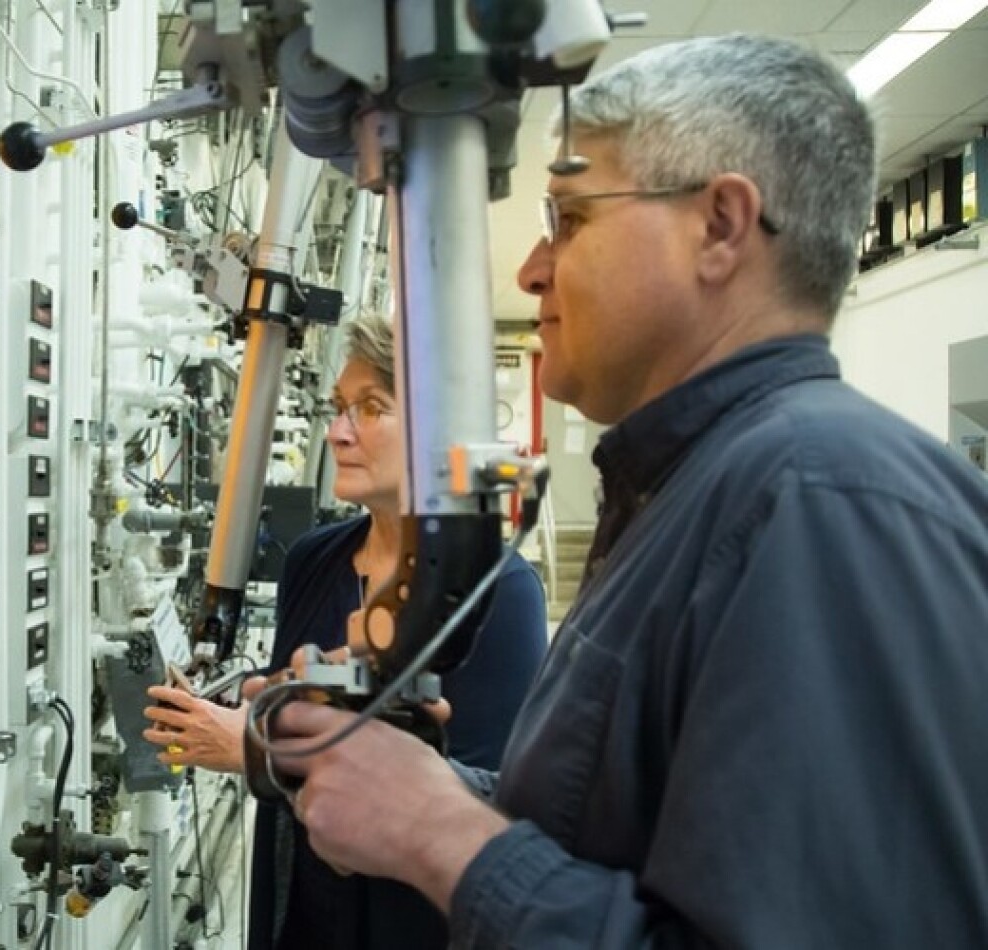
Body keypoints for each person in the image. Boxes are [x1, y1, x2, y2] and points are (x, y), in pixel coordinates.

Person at [268, 34, 988, 948]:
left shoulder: (818, 502)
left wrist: (439, 837)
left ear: (721, 227)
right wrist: (430, 786)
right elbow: (639, 848)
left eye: (568, 217)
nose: (533, 269)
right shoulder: (694, 495)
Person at [142, 311, 548, 949]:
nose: (337, 432)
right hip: (298, 912)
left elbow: (496, 799)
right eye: (337, 407)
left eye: (370, 408)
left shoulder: (499, 590)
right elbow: (303, 694)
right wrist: (239, 693)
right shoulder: (315, 559)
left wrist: (257, 750)